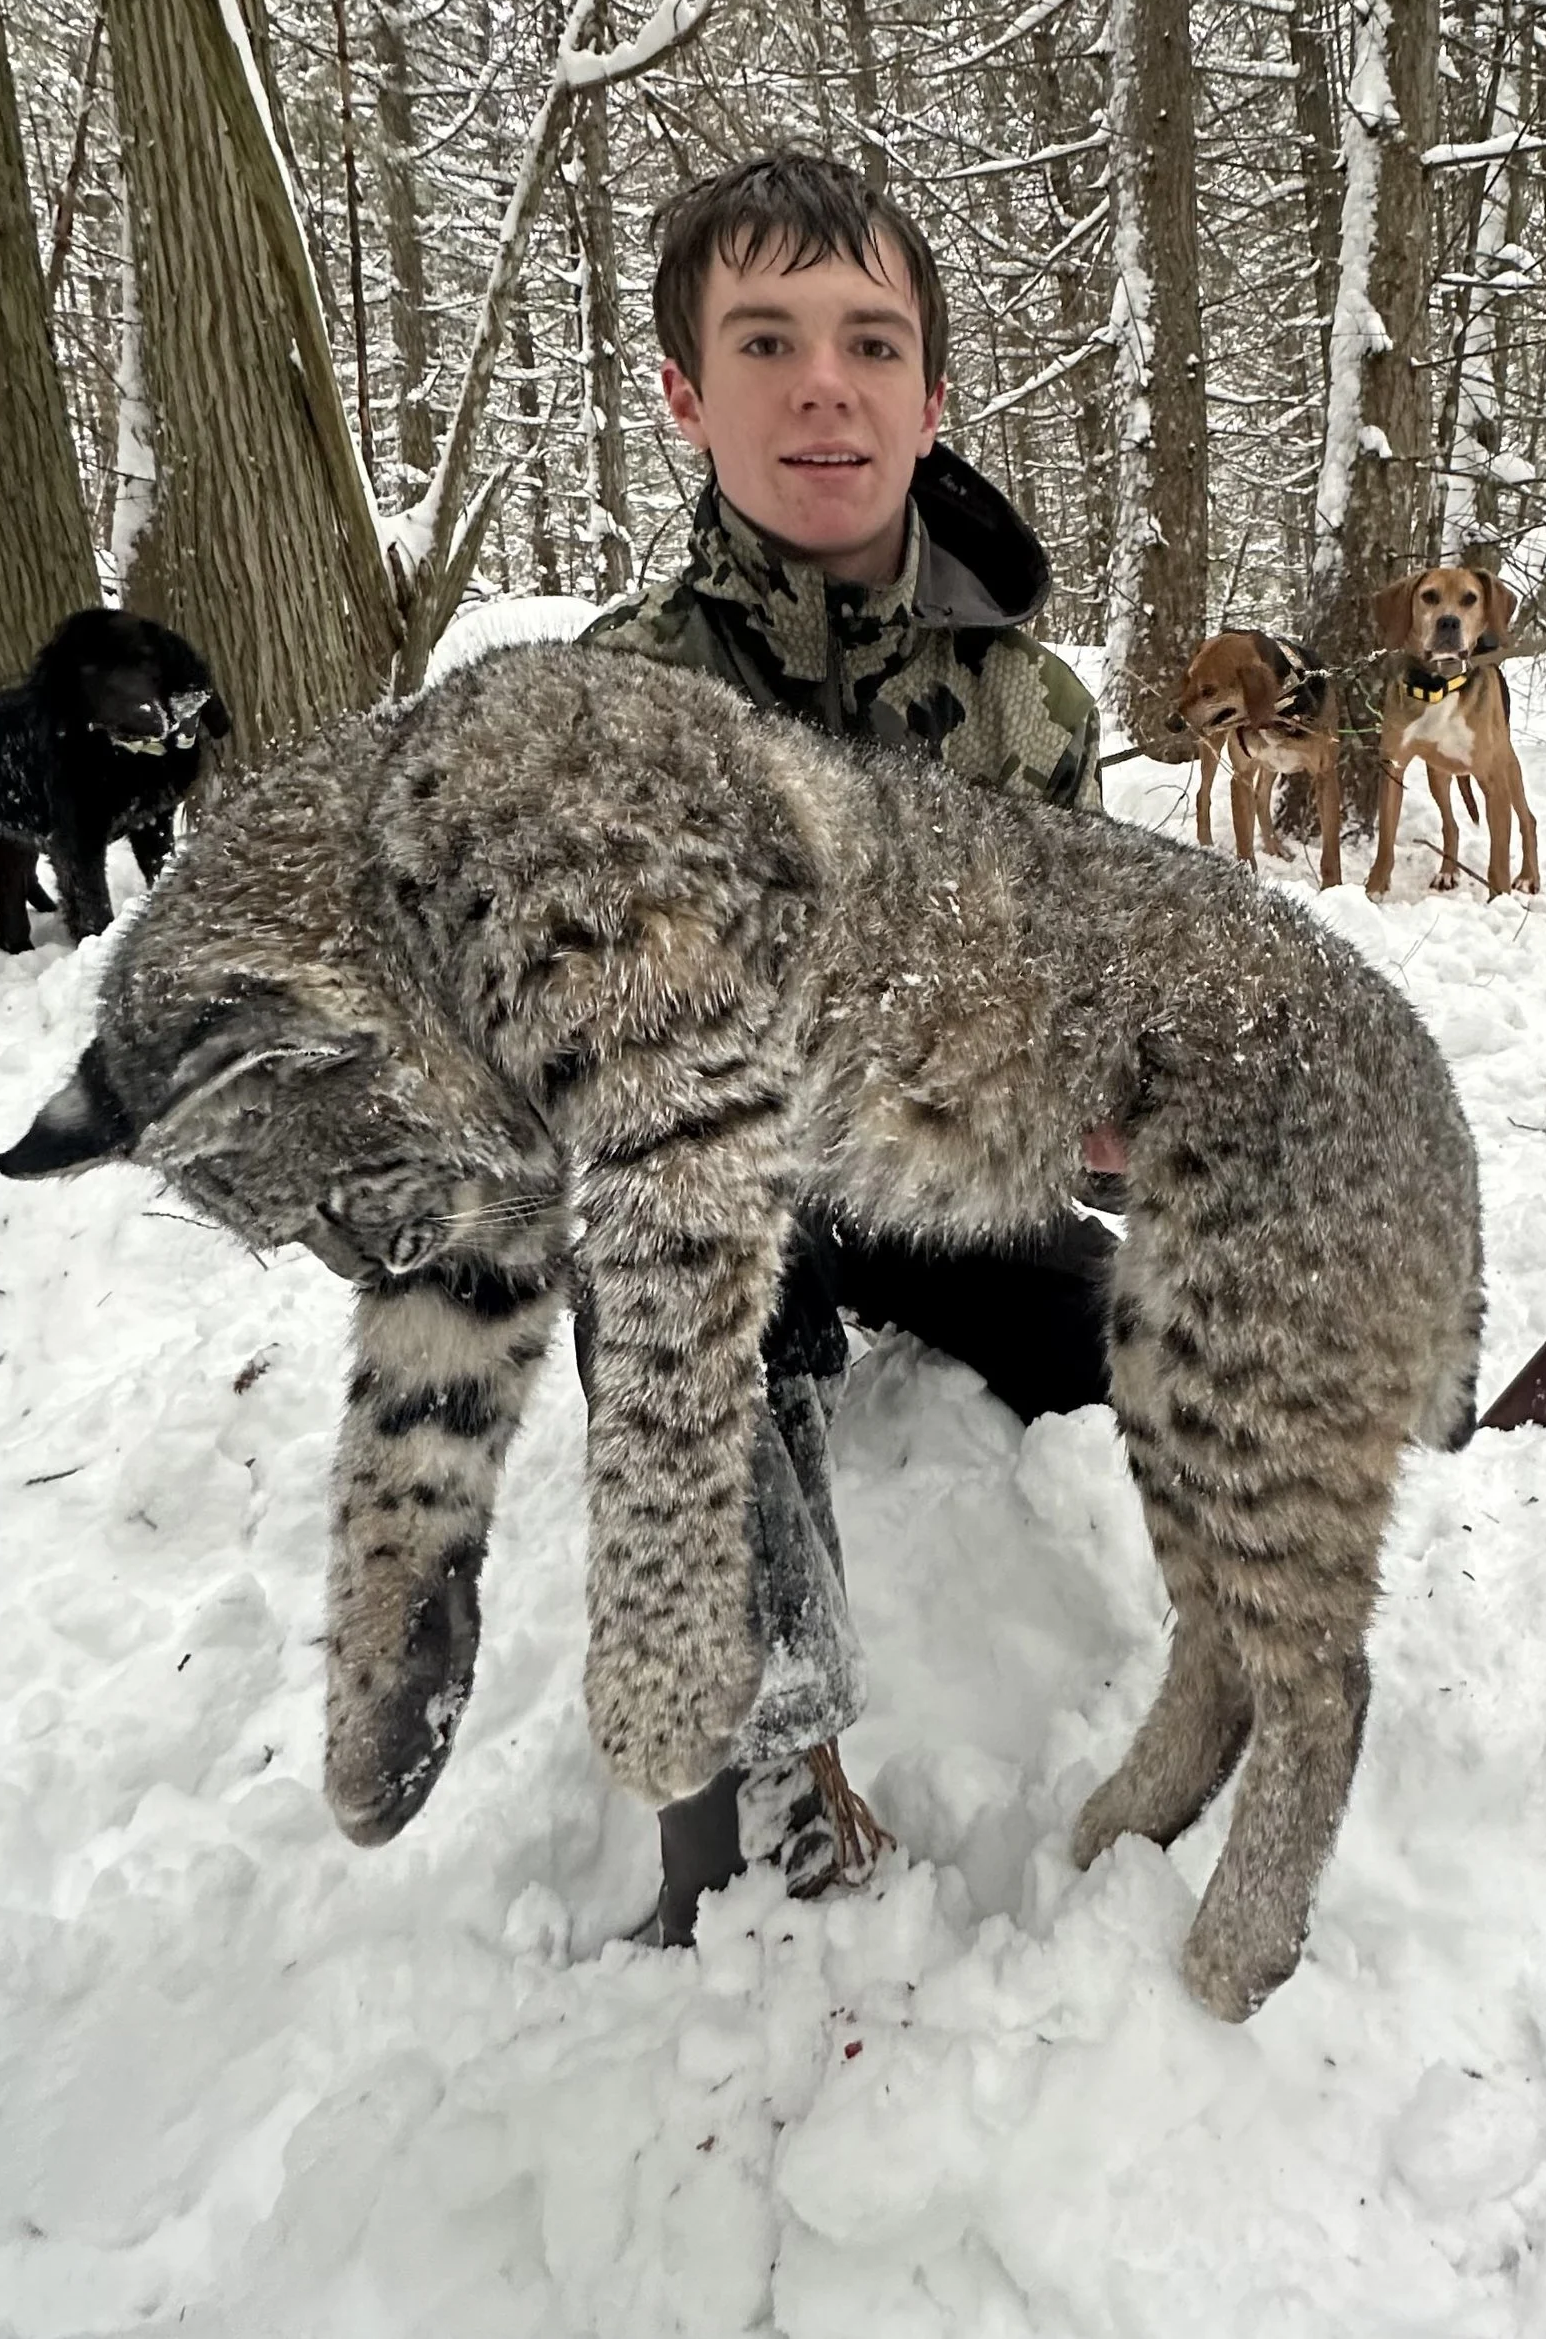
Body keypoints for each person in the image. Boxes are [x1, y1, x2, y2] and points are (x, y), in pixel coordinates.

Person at [579, 148, 1119, 1943]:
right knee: (668, 1249)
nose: (826, 383)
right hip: (734, 1191)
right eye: (767, 341)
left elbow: (1082, 992)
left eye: (872, 343)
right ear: (684, 391)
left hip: (945, 1162)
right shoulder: (610, 702)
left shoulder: (1030, 702)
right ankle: (755, 1755)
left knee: (1140, 1339)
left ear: (930, 392)